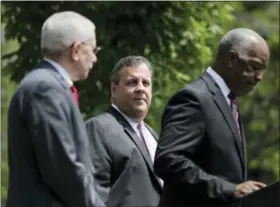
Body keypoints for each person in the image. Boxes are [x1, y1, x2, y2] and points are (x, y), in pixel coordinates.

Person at [154, 28, 270, 207]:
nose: (259, 77)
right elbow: (168, 161)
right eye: (254, 67)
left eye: (262, 70)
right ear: (232, 59)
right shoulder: (194, 98)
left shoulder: (230, 102)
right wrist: (230, 189)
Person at [6, 11, 104, 207]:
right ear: (76, 50)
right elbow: (64, 168)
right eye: (93, 50)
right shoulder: (45, 89)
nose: (95, 59)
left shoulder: (46, 85)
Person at [85, 56, 163, 207]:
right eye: (132, 82)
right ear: (114, 90)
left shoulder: (152, 135)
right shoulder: (99, 128)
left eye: (146, 83)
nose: (141, 88)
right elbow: (93, 194)